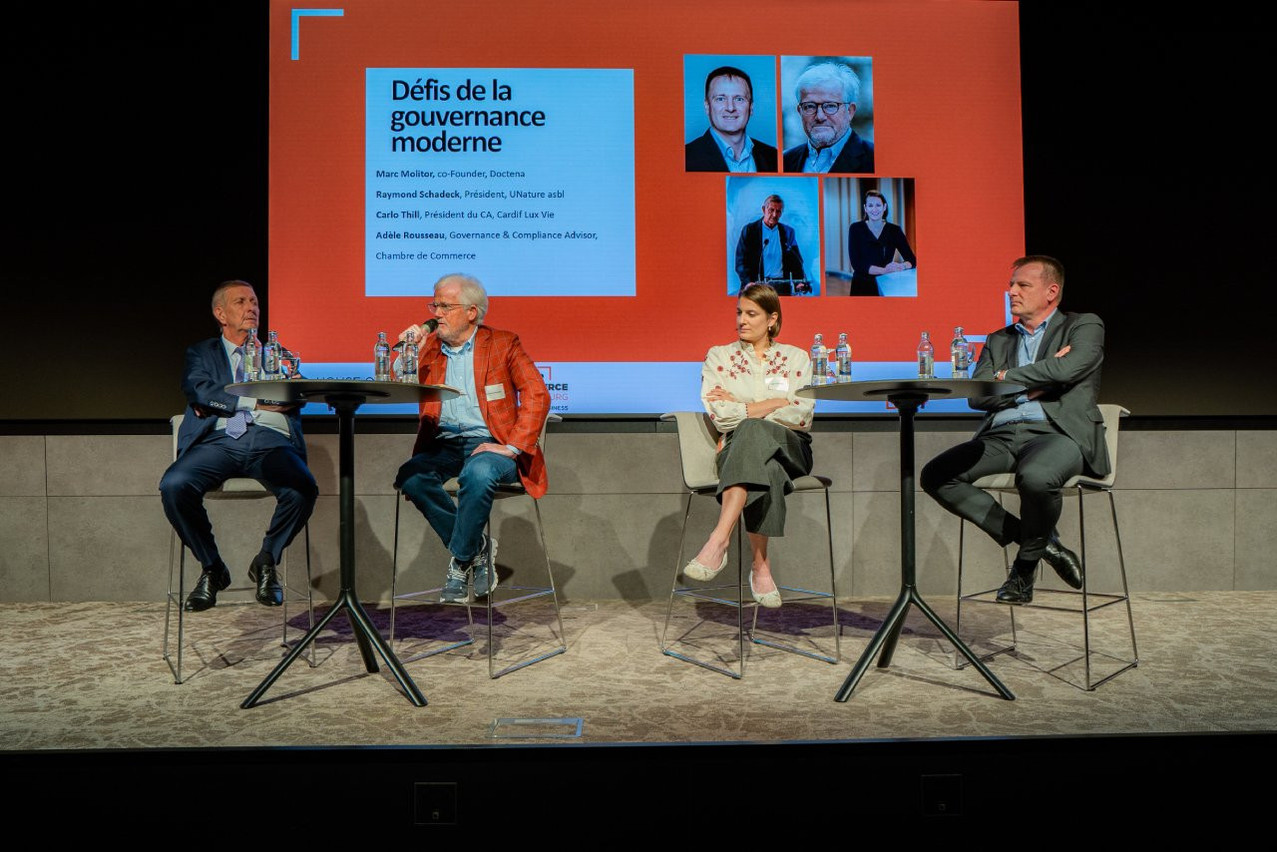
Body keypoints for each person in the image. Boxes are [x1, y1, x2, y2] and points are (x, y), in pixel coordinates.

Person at [921, 256, 1107, 603]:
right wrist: (1043, 376)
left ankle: (1023, 569)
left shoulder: (1083, 326)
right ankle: (1039, 543)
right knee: (936, 475)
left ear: (1051, 291)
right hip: (1001, 435)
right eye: (1011, 285)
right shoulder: (998, 340)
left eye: (1022, 285)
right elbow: (978, 397)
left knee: (1035, 478)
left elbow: (1071, 370)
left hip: (1056, 432)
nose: (1011, 292)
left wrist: (1006, 379)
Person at [159, 280, 318, 612]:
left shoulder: (276, 353)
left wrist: (228, 398)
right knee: (174, 485)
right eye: (241, 302)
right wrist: (257, 400)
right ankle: (213, 568)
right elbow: (200, 393)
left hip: (269, 441)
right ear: (221, 313)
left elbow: (295, 396)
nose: (252, 308)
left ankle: (265, 561)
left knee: (303, 487)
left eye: (254, 301)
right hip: (218, 441)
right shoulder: (201, 352)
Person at [394, 273, 550, 604]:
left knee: (477, 473)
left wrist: (510, 446)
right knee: (411, 477)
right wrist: (408, 349)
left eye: (445, 306)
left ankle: (459, 561)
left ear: (471, 312)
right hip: (446, 445)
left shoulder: (503, 344)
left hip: (492, 446)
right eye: (434, 304)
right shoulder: (430, 348)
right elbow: (398, 380)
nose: (436, 312)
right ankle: (475, 548)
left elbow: (537, 393)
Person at [683, 283, 816, 608]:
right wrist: (773, 402)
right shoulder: (719, 356)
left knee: (753, 432)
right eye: (739, 312)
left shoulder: (796, 357)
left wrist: (744, 407)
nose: (742, 320)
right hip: (747, 450)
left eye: (751, 314)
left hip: (792, 448)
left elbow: (801, 414)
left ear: (772, 319)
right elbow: (720, 415)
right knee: (764, 464)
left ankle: (719, 539)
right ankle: (760, 566)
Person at [782, 62, 874, 174]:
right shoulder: (784, 160)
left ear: (850, 111)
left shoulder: (874, 158)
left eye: (830, 106)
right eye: (810, 106)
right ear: (800, 111)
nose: (820, 117)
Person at [685, 66, 778, 173]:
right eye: (720, 99)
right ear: (707, 106)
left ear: (751, 107)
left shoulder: (773, 156)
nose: (730, 108)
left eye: (739, 99)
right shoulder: (685, 158)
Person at [734, 194, 807, 295]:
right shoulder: (750, 230)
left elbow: (796, 261)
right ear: (764, 209)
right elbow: (740, 261)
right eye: (771, 210)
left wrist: (799, 282)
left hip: (781, 286)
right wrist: (748, 282)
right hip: (756, 286)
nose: (774, 215)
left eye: (778, 211)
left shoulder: (788, 232)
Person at [847, 189, 916, 296]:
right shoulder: (855, 228)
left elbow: (912, 260)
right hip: (861, 286)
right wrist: (884, 270)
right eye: (870, 205)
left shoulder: (894, 230)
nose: (874, 209)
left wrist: (900, 266)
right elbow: (857, 264)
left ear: (884, 207)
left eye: (878, 205)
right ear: (865, 208)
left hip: (885, 285)